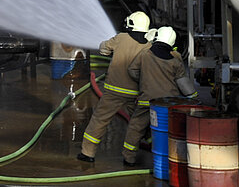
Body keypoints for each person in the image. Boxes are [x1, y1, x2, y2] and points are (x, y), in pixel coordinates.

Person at [77, 10, 152, 163]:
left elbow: (103, 49)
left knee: (100, 120)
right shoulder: (149, 45)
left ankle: (88, 153)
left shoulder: (120, 38)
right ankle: (135, 154)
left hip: (113, 90)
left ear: (130, 24)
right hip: (136, 93)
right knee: (139, 123)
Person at [122, 26, 198, 166]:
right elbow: (182, 82)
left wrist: (144, 78)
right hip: (169, 104)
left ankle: (129, 158)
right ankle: (172, 157)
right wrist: (194, 97)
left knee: (135, 128)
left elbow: (132, 70)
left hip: (147, 102)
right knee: (169, 131)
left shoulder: (144, 54)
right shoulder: (176, 58)